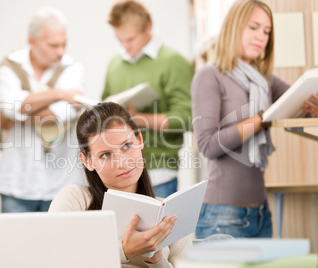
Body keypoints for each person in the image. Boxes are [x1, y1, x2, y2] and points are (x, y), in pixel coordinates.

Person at [191, 0, 291, 238]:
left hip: (260, 212)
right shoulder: (209, 76)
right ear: (234, 27)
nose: (262, 37)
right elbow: (207, 145)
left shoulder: (264, 80)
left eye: (267, 31)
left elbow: (296, 100)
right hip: (222, 216)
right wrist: (259, 120)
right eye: (254, 27)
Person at [49, 102, 192, 267]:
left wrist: (155, 259)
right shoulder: (75, 200)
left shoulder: (170, 215)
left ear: (139, 139)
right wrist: (124, 250)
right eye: (106, 155)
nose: (122, 162)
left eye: (126, 145)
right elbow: (55, 260)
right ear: (87, 160)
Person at [0, 7, 85, 212]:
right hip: (16, 182)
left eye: (63, 44)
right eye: (53, 45)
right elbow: (10, 108)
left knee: (59, 244)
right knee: (15, 243)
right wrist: (59, 94)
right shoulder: (10, 66)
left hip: (62, 183)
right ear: (33, 42)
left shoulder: (73, 68)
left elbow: (58, 116)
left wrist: (20, 113)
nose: (60, 52)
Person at [102, 0, 194, 198]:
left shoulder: (173, 62)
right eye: (120, 40)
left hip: (158, 172)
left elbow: (186, 119)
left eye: (131, 39)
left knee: (159, 228)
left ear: (148, 27)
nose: (125, 46)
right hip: (118, 174)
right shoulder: (114, 64)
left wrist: (137, 119)